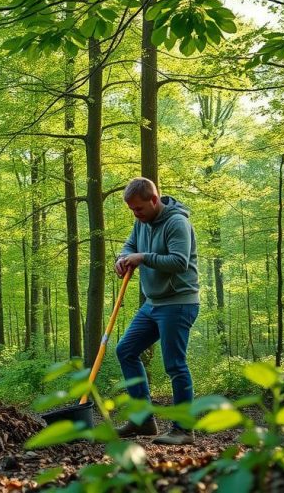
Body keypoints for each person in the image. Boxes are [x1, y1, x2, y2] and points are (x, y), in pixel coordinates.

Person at [113, 177, 199, 445]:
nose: (135, 215)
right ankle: (143, 419)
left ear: (153, 199)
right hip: (153, 303)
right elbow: (129, 246)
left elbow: (179, 261)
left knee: (174, 364)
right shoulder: (141, 222)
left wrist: (143, 257)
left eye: (138, 209)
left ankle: (184, 430)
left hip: (178, 302)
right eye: (132, 210)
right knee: (125, 350)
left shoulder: (177, 222)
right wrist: (123, 258)